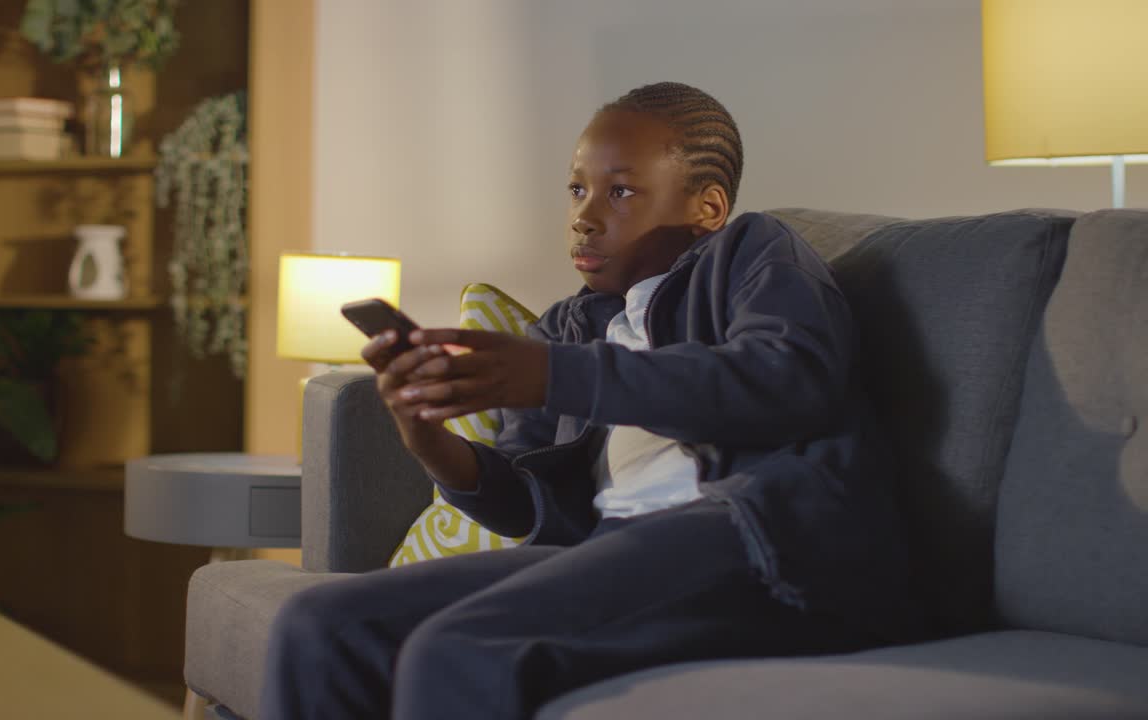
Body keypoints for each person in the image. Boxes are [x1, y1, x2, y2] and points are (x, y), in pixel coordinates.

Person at [260, 81, 914, 720]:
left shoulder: (751, 253)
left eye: (620, 191)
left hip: (754, 539)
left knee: (459, 649)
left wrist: (560, 374)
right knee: (319, 625)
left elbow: (790, 379)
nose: (585, 215)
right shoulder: (568, 327)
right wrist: (425, 437)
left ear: (706, 208)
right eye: (577, 189)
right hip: (612, 544)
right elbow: (527, 502)